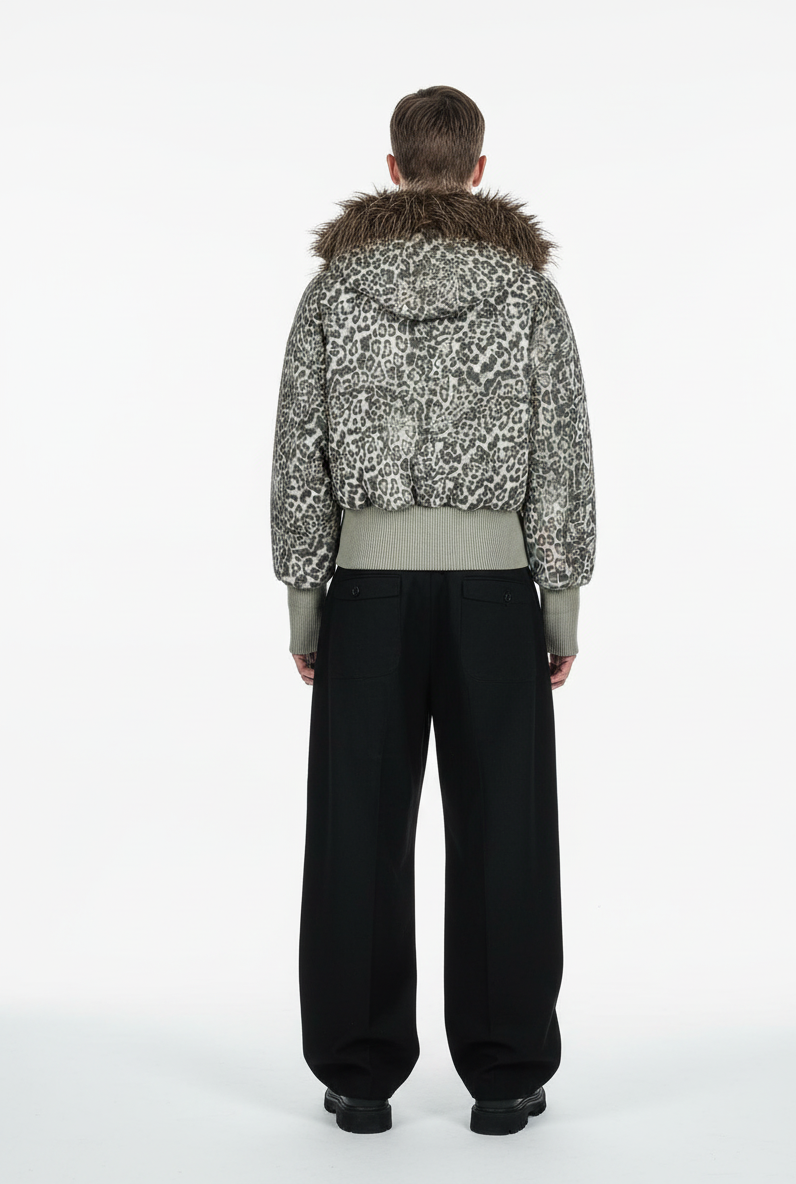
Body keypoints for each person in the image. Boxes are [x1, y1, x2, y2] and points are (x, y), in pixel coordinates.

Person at [270, 85, 597, 1136]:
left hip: (366, 595)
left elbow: (299, 451)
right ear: (480, 170)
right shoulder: (527, 293)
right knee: (506, 828)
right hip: (495, 595)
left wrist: (306, 603)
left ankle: (359, 1076)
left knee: (357, 829)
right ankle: (505, 1076)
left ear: (395, 167)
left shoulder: (333, 292)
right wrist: (560, 604)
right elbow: (562, 452)